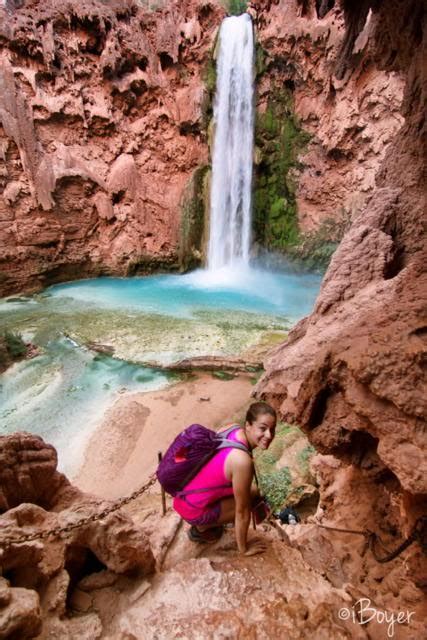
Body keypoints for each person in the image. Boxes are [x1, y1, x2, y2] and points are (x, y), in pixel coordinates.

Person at [172, 401, 277, 556]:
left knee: (253, 491)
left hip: (186, 496)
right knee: (246, 501)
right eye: (263, 428)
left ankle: (211, 521)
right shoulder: (242, 461)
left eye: (272, 430)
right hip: (193, 510)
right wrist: (244, 549)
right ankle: (202, 529)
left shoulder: (232, 429)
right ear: (248, 425)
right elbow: (242, 511)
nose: (269, 435)